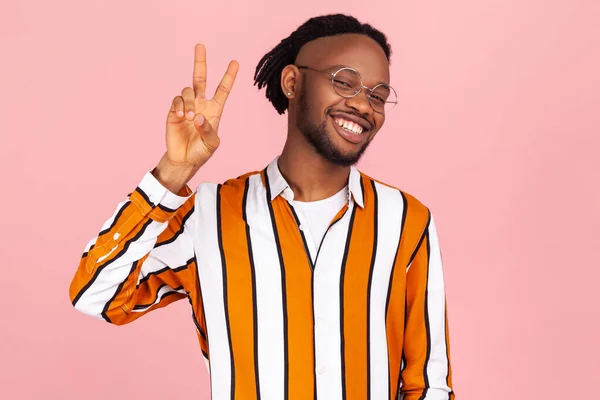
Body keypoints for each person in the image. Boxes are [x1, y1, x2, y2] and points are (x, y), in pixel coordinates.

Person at [69, 13, 455, 400]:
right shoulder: (210, 215)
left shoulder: (406, 221)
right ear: (292, 81)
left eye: (378, 95)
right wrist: (172, 173)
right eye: (344, 82)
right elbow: (96, 295)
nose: (363, 105)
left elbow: (429, 383)